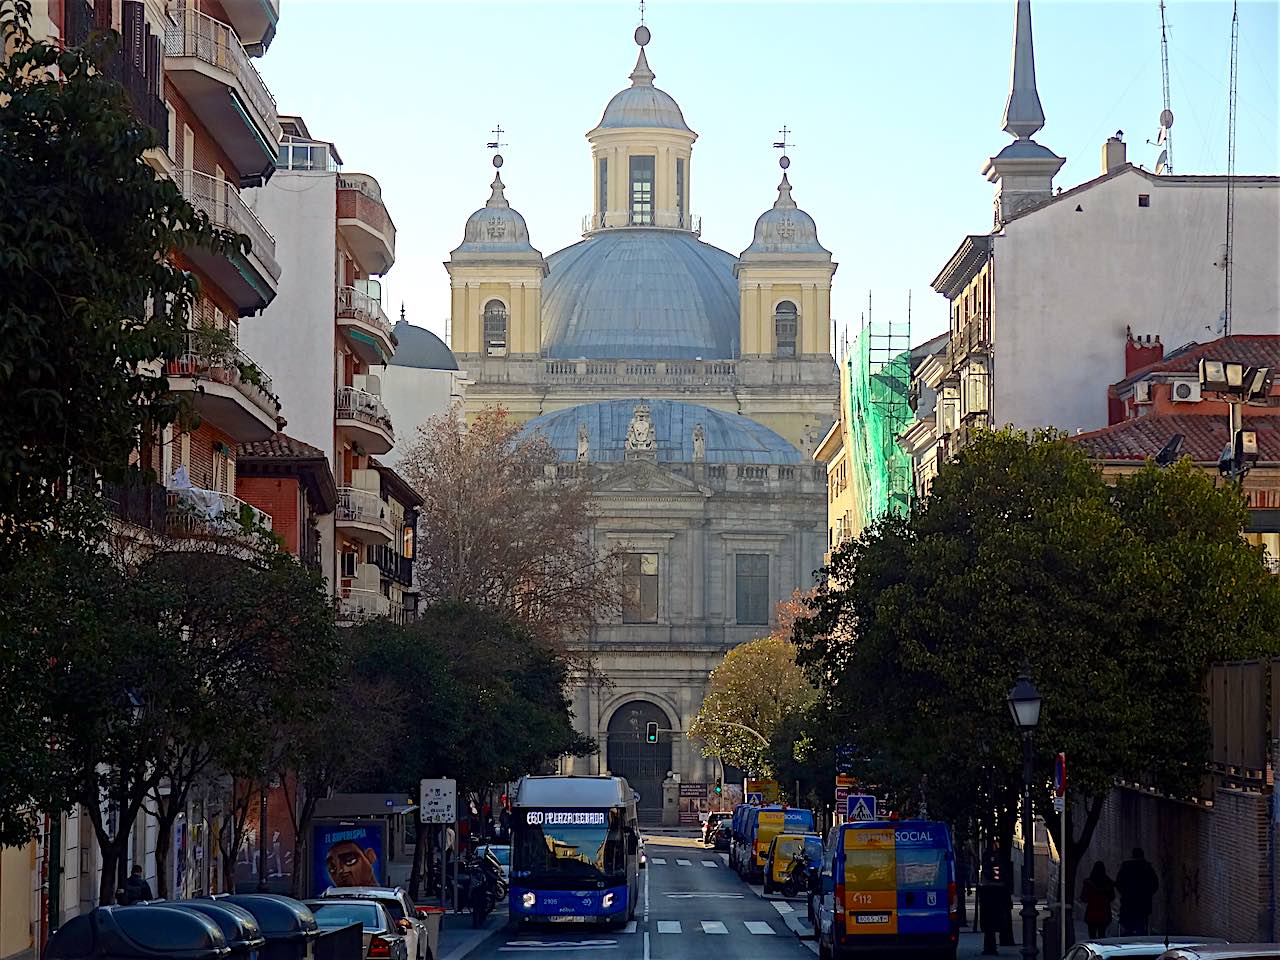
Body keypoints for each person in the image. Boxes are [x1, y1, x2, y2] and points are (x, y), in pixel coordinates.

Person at [1115, 848, 1159, 935]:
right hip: (1143, 902)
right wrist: (1148, 894)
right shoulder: (1147, 868)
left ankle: (1128, 938)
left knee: (1128, 924)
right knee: (1141, 923)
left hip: (1128, 901)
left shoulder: (1125, 868)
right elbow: (1154, 884)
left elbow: (1119, 883)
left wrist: (1125, 893)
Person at [1079, 860, 1115, 938]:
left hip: (1092, 913)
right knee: (1102, 935)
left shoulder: (1089, 883)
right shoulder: (1108, 883)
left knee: (1092, 936)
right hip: (1104, 912)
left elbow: (1084, 898)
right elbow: (1112, 897)